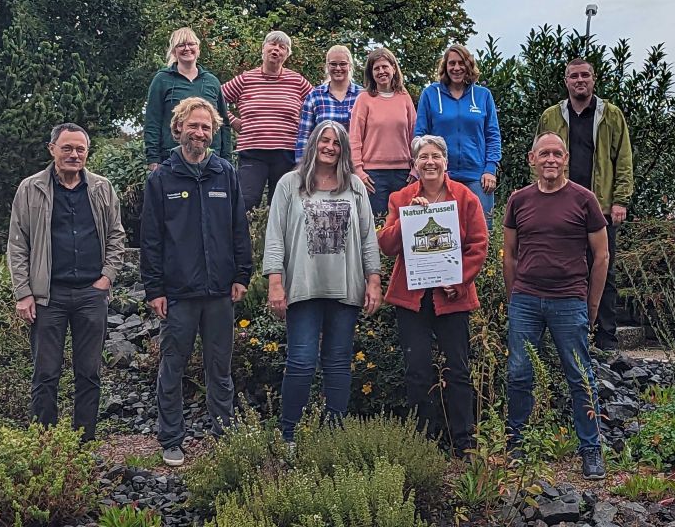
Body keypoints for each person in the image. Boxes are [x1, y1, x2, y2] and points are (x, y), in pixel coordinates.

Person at [141, 97, 252, 467]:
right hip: (178, 294)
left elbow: (240, 229)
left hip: (220, 290)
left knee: (219, 368)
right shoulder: (162, 178)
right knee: (172, 367)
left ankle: (223, 435)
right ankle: (171, 439)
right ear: (178, 128)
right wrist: (154, 289)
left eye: (206, 127)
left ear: (213, 132)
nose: (199, 132)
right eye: (193, 125)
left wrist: (242, 275)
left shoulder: (225, 173)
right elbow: (151, 238)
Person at [263, 120, 383, 444]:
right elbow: (274, 236)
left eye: (336, 143)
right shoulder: (290, 184)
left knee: (338, 363)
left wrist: (374, 280)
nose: (329, 147)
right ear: (313, 143)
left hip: (346, 289)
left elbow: (368, 237)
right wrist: (276, 281)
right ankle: (288, 436)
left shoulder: (355, 186)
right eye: (324, 141)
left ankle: (333, 437)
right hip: (303, 286)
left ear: (344, 150)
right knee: (301, 362)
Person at [7, 123, 125, 443]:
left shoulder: (102, 188)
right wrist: (23, 293)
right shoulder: (31, 189)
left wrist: (107, 278)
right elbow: (18, 245)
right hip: (49, 296)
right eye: (67, 148)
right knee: (46, 373)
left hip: (91, 293)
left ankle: (82, 442)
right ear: (52, 150)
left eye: (80, 149)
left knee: (89, 373)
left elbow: (117, 236)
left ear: (87, 153)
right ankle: (46, 444)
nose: (74, 155)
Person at [503, 132, 609, 480]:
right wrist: (514, 296)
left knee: (580, 375)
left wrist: (591, 303)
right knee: (519, 373)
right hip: (526, 299)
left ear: (566, 159)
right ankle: (517, 442)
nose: (550, 159)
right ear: (532, 159)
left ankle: (591, 449)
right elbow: (510, 255)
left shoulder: (584, 199)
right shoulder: (518, 200)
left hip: (569, 299)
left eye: (557, 154)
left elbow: (601, 255)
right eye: (543, 153)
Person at [377, 135, 488, 456]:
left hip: (452, 296)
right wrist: (405, 221)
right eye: (423, 157)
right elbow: (386, 245)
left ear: (445, 162)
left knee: (458, 367)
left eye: (435, 156)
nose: (429, 162)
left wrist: (460, 280)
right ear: (414, 165)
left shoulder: (466, 198)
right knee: (417, 369)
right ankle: (424, 441)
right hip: (411, 298)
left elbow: (479, 246)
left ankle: (463, 440)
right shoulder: (401, 198)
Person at [536, 58, 633, 351]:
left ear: (594, 79)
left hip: (599, 207)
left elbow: (624, 159)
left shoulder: (611, 115)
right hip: (560, 207)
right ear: (566, 81)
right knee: (561, 268)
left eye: (585, 75)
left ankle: (606, 337)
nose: (580, 80)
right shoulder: (551, 116)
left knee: (604, 268)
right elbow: (539, 157)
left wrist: (620, 200)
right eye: (574, 76)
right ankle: (562, 337)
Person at [222, 30, 315, 211]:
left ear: (287, 55)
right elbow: (214, 98)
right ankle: (246, 239)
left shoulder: (297, 81)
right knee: (245, 203)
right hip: (252, 151)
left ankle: (277, 240)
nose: (276, 50)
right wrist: (232, 120)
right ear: (263, 49)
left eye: (282, 47)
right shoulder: (246, 79)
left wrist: (306, 131)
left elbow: (317, 105)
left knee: (283, 207)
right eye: (272, 44)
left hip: (287, 153)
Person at [415, 44, 501, 225]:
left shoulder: (483, 95)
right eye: (451, 63)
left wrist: (490, 169)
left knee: (482, 230)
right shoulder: (430, 94)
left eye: (461, 63)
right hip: (441, 176)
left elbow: (492, 135)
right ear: (445, 66)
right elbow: (420, 136)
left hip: (478, 177)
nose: (456, 68)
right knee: (442, 231)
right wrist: (422, 168)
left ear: (468, 65)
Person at [144, 27, 233, 169]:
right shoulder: (161, 80)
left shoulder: (212, 81)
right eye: (181, 45)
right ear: (174, 51)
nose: (187, 48)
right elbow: (152, 121)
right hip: (172, 157)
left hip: (210, 157)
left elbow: (224, 123)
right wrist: (153, 158)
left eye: (191, 44)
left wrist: (226, 158)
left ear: (198, 49)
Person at [349, 47, 416, 215]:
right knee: (377, 226)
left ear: (393, 68)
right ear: (371, 73)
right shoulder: (364, 99)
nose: (381, 71)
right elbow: (355, 138)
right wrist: (359, 171)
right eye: (376, 68)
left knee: (403, 226)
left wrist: (416, 169)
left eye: (385, 67)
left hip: (403, 174)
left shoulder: (404, 98)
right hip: (373, 176)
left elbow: (415, 136)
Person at [295, 45, 363, 160]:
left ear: (350, 66)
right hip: (323, 162)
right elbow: (304, 135)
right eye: (333, 64)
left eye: (342, 64)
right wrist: (301, 166)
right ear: (327, 66)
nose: (338, 68)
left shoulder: (362, 96)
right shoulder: (315, 96)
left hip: (354, 162)